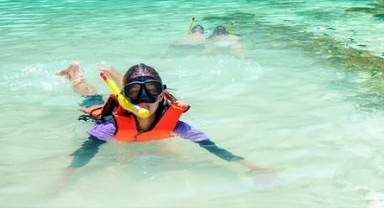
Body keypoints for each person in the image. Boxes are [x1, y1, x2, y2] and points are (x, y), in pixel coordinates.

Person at [53, 62, 270, 189]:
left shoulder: (177, 126)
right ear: (125, 98)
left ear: (162, 92)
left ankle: (111, 70)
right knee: (90, 95)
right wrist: (59, 185)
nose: (144, 98)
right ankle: (74, 74)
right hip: (103, 113)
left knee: (138, 81)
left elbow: (217, 150)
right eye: (134, 93)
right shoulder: (110, 128)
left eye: (152, 90)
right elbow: (80, 159)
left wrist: (258, 169)